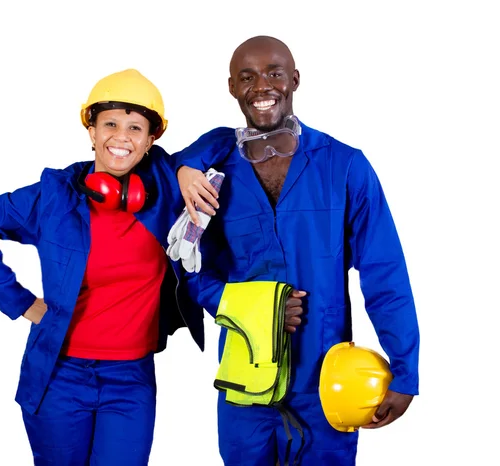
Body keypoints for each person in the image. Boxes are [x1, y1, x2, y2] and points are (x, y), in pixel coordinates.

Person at [173, 35, 420, 465]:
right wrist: (249, 306)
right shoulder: (211, 176)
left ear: (295, 80)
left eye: (274, 73)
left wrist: (405, 369)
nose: (262, 86)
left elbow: (385, 273)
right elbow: (189, 271)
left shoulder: (344, 165)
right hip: (243, 384)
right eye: (247, 77)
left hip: (326, 383)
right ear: (232, 87)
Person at [0, 68, 206, 466]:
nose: (122, 137)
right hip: (58, 374)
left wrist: (187, 167)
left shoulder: (167, 189)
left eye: (136, 127)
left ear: (151, 139)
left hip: (130, 379)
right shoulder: (53, 198)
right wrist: (19, 302)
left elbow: (223, 140)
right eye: (111, 124)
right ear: (91, 130)